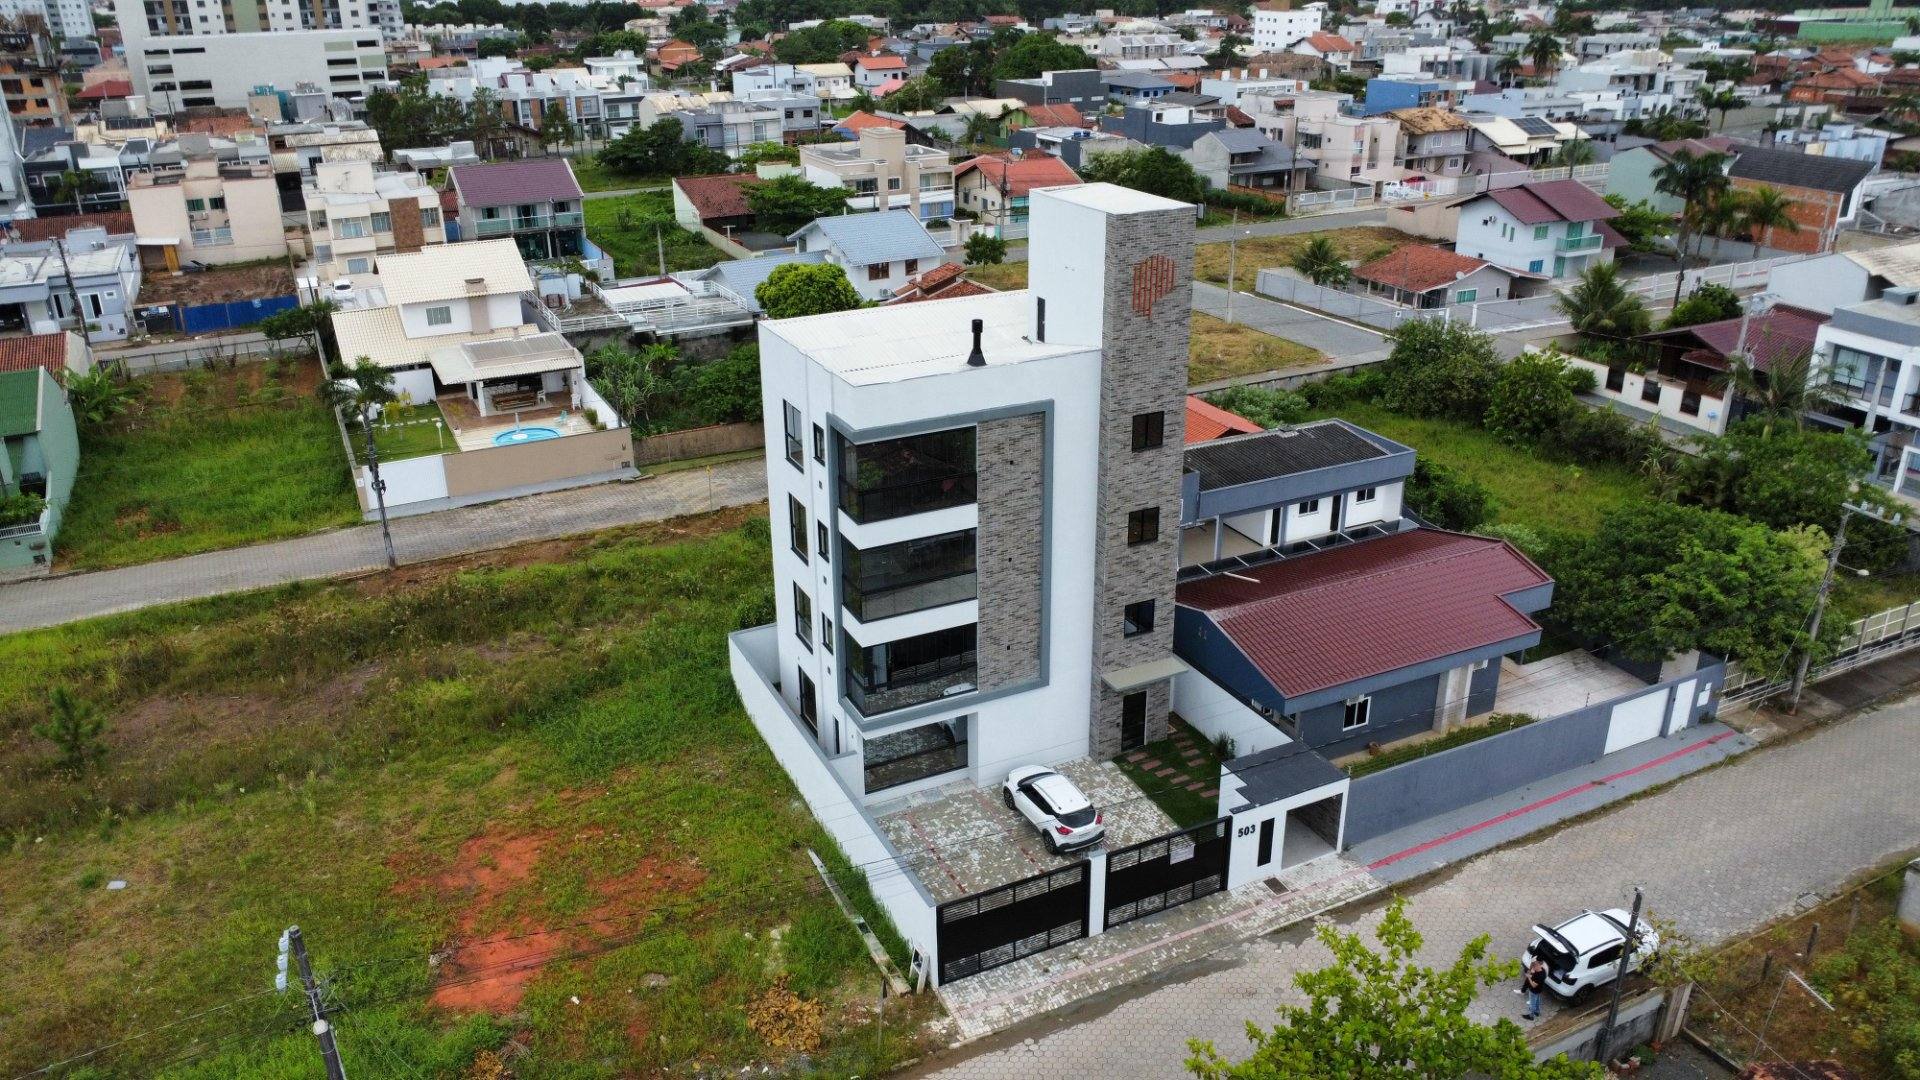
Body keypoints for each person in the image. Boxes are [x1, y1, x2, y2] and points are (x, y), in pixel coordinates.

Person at [1521, 957, 1547, 1021]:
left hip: (1534, 991)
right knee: (1537, 1001)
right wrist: (1532, 973)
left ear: (1538, 965)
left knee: (1532, 1004)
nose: (1533, 968)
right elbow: (1533, 974)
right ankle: (1537, 1012)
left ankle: (1531, 1016)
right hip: (1539, 990)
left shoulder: (1539, 976)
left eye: (1534, 966)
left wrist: (1529, 977)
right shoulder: (1543, 970)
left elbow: (1533, 985)